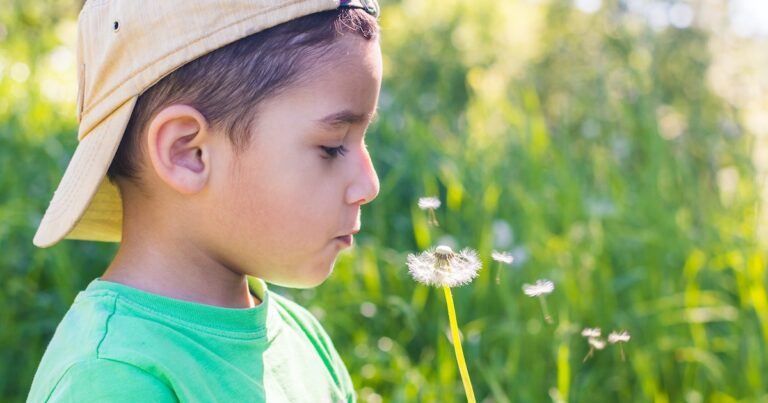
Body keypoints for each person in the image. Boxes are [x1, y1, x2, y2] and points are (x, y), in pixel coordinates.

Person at [28, 0, 382, 401]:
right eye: (333, 146)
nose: (369, 184)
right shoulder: (113, 379)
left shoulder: (304, 339)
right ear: (188, 153)